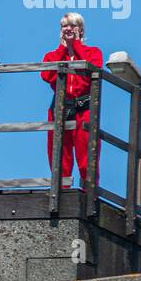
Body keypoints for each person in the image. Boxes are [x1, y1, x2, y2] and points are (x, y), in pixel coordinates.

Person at [41, 12, 103, 186]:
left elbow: (93, 69)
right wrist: (63, 48)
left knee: (87, 155)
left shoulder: (93, 52)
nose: (67, 29)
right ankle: (61, 193)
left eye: (72, 26)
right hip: (60, 109)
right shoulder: (52, 55)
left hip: (84, 109)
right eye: (64, 26)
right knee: (59, 157)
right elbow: (46, 75)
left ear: (81, 30)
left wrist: (75, 44)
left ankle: (89, 193)